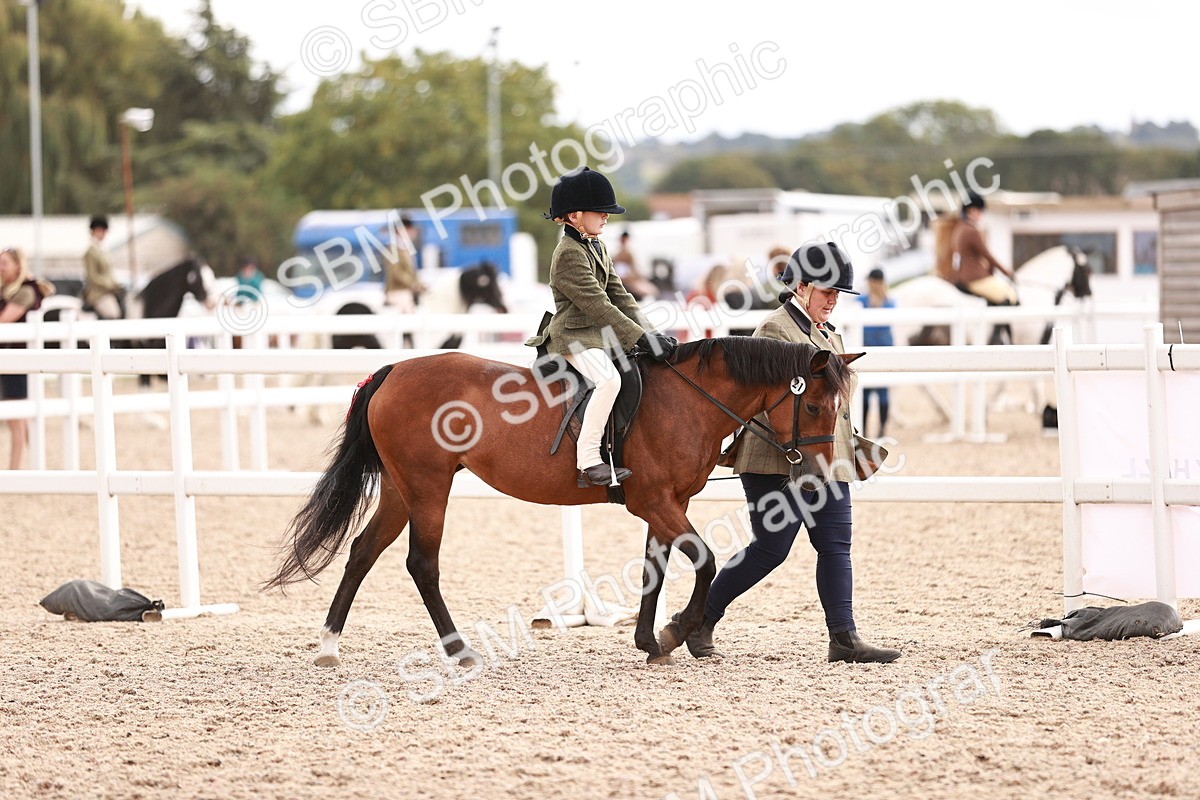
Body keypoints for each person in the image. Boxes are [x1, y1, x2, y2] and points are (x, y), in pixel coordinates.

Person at [683, 241, 902, 664]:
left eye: (839, 293)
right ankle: (698, 620)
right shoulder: (775, 331)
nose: (834, 300)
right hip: (775, 461)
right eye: (827, 291)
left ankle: (844, 637)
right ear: (801, 287)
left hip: (828, 459)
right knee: (771, 549)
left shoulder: (830, 335)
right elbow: (759, 401)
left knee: (836, 544)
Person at [525, 167, 677, 488]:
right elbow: (599, 306)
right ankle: (589, 460)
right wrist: (639, 337)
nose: (607, 217)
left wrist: (649, 331)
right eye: (601, 212)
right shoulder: (568, 254)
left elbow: (620, 295)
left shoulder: (596, 245)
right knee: (607, 381)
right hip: (573, 337)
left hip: (598, 335)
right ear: (576, 216)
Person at [1, 247, 54, 470]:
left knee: (16, 418)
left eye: (4, 263)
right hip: (11, 359)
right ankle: (38, 464)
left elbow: (4, 321)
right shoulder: (9, 291)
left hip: (18, 361)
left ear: (18, 266)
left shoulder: (24, 292)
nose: (1, 268)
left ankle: (15, 470)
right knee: (20, 417)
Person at [952, 191, 1017, 306]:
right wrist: (1007, 272)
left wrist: (990, 271)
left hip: (965, 276)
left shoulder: (960, 229)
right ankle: (999, 324)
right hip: (974, 278)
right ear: (971, 211)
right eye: (979, 211)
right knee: (1009, 295)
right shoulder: (971, 231)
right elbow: (987, 255)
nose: (981, 215)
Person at [858, 267, 895, 438]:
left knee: (878, 393)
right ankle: (872, 431)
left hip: (873, 348)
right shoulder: (888, 302)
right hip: (879, 349)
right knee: (871, 393)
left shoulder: (867, 301)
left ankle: (877, 431)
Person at [83, 215, 123, 320]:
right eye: (100, 230)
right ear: (93, 231)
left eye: (104, 231)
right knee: (113, 313)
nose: (103, 234)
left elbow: (109, 272)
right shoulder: (90, 252)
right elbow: (92, 276)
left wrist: (117, 284)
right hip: (98, 294)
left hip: (110, 291)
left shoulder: (104, 250)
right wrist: (109, 284)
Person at [383, 216, 422, 313]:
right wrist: (413, 284)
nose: (412, 232)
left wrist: (421, 285)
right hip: (398, 291)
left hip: (407, 291)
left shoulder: (406, 248)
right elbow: (397, 272)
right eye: (409, 229)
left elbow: (411, 271)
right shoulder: (393, 248)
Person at [611, 231, 658, 301]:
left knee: (653, 290)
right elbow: (621, 275)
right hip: (626, 282)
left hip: (632, 279)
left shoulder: (629, 254)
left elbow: (635, 270)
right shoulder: (617, 255)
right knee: (648, 292)